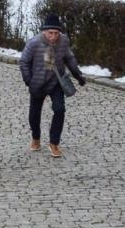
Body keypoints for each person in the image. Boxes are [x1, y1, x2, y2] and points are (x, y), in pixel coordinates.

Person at [18, 13, 87, 157]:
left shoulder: (63, 41)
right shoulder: (34, 43)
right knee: (35, 113)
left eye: (56, 33)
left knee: (60, 109)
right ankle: (36, 138)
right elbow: (24, 62)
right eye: (50, 33)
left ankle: (54, 143)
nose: (53, 36)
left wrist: (78, 75)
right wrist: (28, 80)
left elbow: (69, 58)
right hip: (37, 82)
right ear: (44, 31)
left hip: (56, 81)